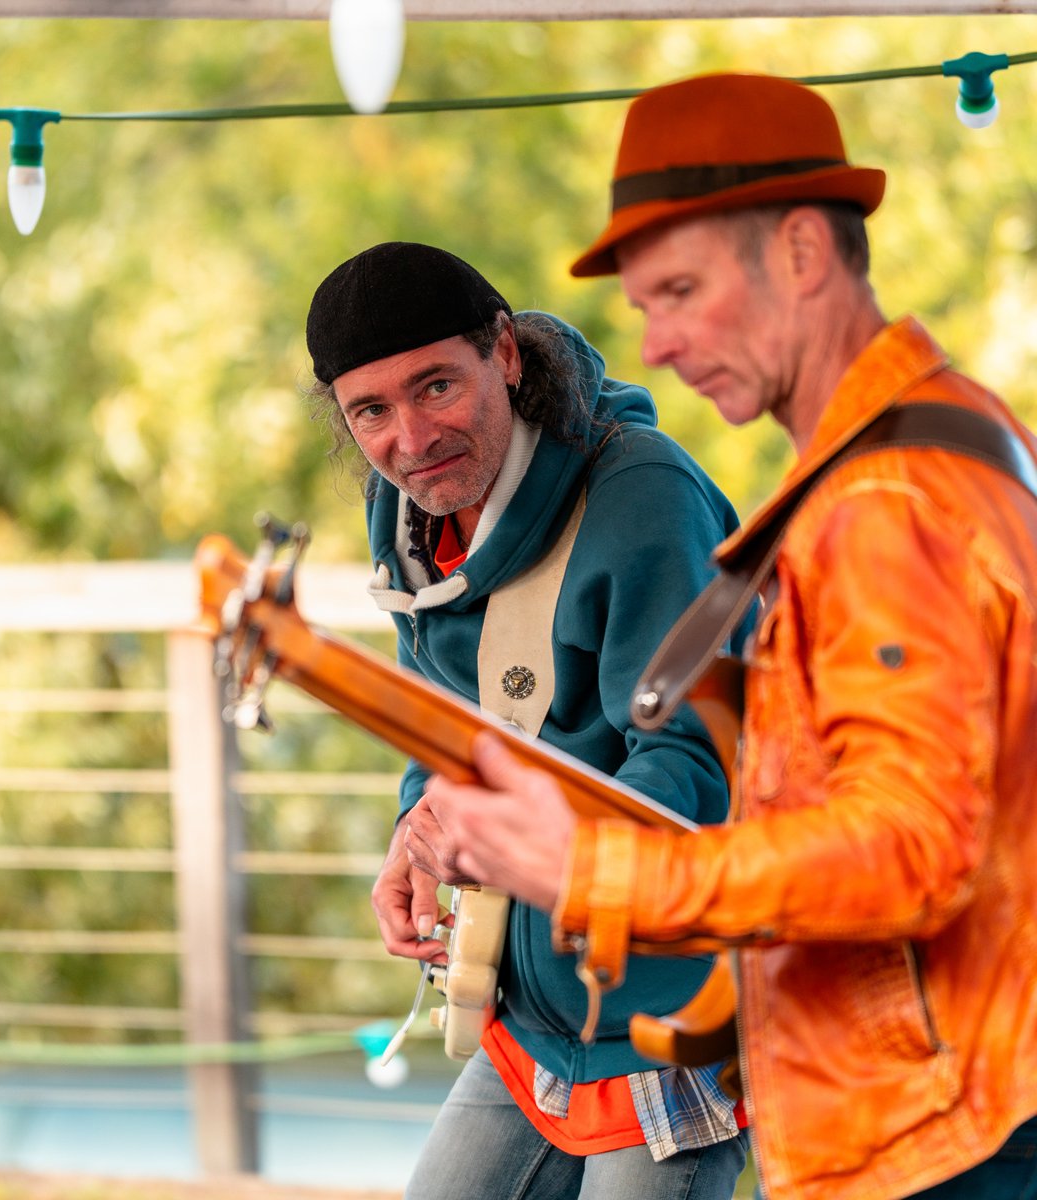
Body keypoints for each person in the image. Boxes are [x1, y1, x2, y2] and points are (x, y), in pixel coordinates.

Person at [422, 73, 1037, 1200]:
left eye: (681, 292)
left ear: (803, 253)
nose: (655, 346)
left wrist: (590, 865)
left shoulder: (885, 503)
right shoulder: (929, 445)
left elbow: (908, 846)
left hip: (946, 1136)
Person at [304, 240, 750, 1199]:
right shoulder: (411, 516)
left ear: (504, 352)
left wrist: (511, 845)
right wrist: (413, 834)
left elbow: (695, 764)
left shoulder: (641, 497)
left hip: (674, 1011)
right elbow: (446, 725)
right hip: (530, 1013)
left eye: (436, 388)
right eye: (370, 411)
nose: (411, 441)